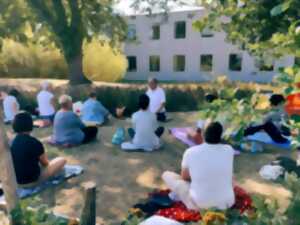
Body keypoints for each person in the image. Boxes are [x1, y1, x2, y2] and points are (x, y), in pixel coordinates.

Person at [162, 122, 235, 210]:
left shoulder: (191, 152)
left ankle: (180, 197)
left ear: (203, 135)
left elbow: (185, 177)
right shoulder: (229, 150)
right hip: (227, 202)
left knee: (167, 175)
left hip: (200, 204)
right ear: (220, 136)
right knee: (229, 177)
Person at [10, 112, 66, 186]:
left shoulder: (11, 143)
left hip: (17, 181)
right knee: (62, 160)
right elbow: (45, 164)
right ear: (30, 125)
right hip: (32, 180)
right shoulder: (34, 142)